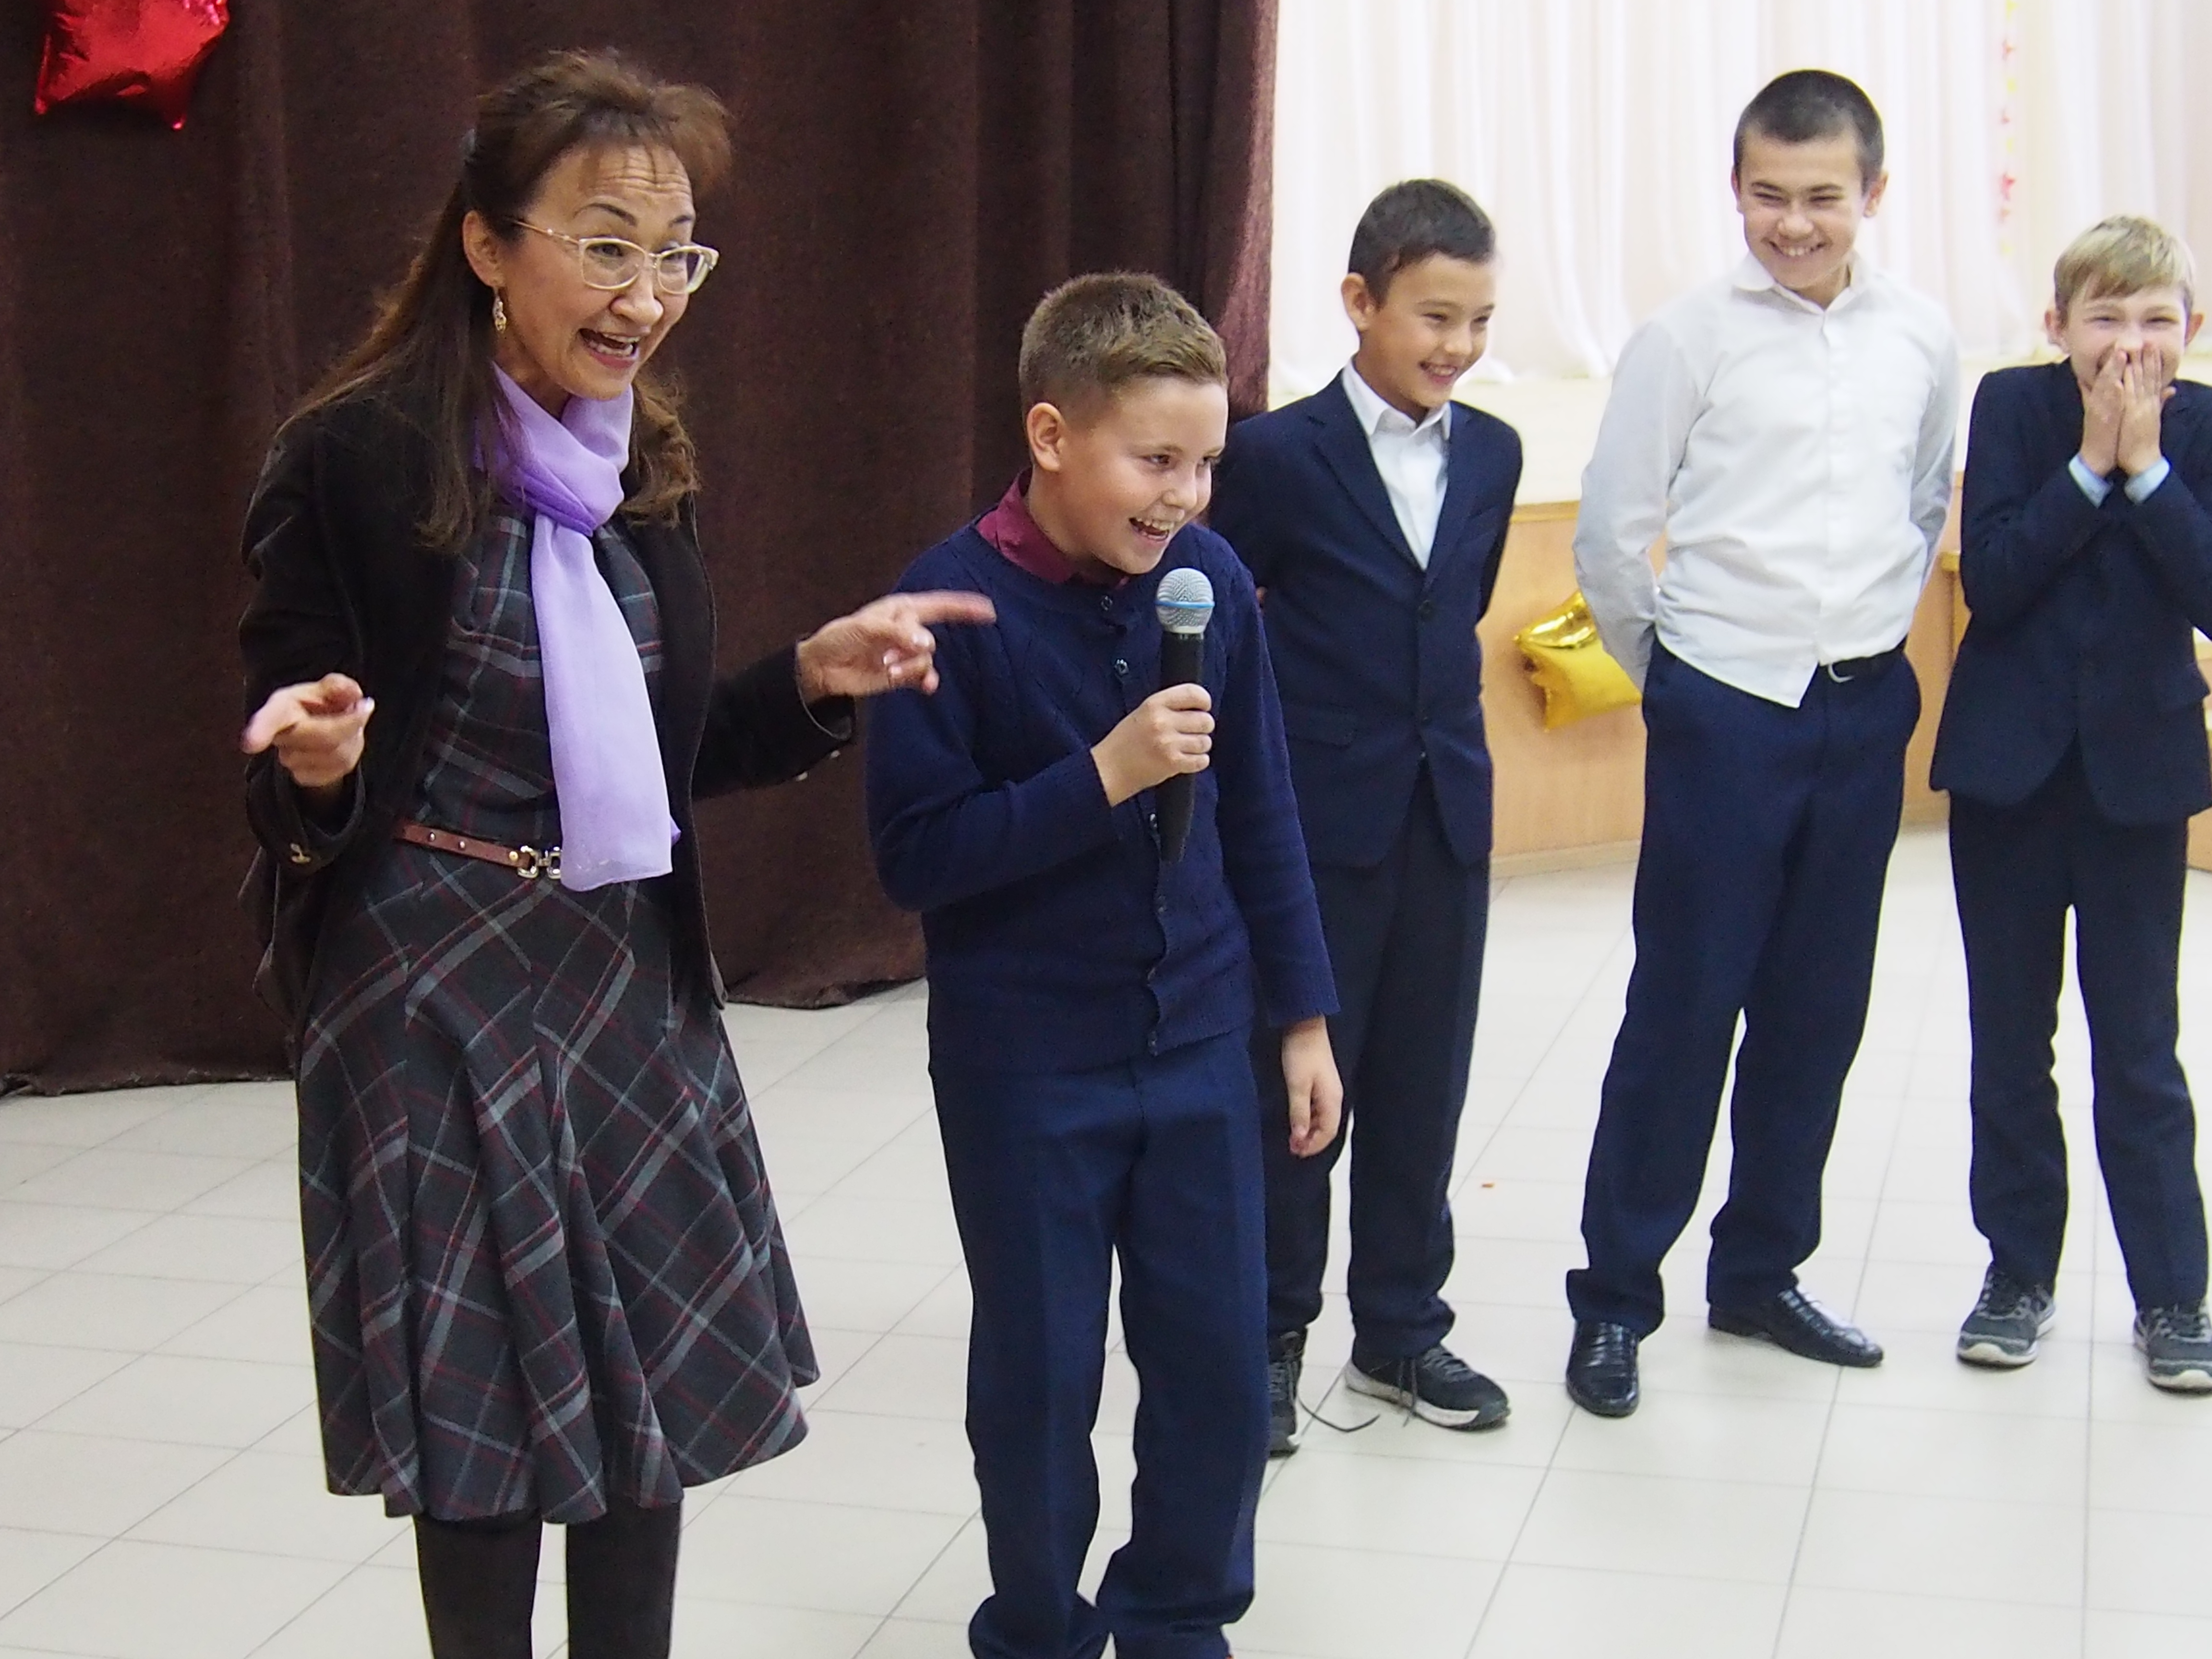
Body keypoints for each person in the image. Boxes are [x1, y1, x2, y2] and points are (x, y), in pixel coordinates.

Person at [237, 49, 991, 1659]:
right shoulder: (356, 455)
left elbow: (648, 757)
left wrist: (809, 683)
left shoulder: (634, 458)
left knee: (643, 1393)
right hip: (429, 983)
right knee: (481, 1419)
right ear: (487, 243)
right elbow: (294, 731)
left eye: (674, 254)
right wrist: (315, 762)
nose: (644, 297)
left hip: (616, 972)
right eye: (603, 245)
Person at [867, 273, 1342, 1659]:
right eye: (1155, 461)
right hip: (1028, 1066)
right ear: (1052, 435)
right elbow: (918, 858)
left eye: (1206, 463)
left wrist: (1301, 1019)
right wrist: (1102, 777)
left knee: (1214, 1362)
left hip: (1199, 1044)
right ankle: (1037, 1623)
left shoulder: (1212, 588)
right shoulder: (945, 607)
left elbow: (1263, 810)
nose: (1184, 495)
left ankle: (1179, 1614)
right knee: (1040, 1372)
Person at [1565, 69, 1960, 1418]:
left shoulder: (1923, 336)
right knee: (1684, 1010)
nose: (1794, 224)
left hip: (1865, 706)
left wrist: (1867, 640)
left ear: (1873, 194)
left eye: (1822, 198)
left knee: (1818, 1010)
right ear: (1736, 189)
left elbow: (1923, 501)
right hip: (1724, 706)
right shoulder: (1687, 338)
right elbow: (1613, 531)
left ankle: (1760, 1272)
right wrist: (1674, 682)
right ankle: (1617, 1299)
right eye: (1769, 196)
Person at [1209, 179, 1520, 1453]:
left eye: (1479, 321)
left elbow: (1453, 611)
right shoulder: (1277, 456)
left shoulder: (1494, 454)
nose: (1457, 345)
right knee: (1299, 1094)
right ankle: (1269, 1337)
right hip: (1316, 827)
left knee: (1423, 1086)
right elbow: (1222, 615)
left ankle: (1399, 1326)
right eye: (1435, 316)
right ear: (1359, 302)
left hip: (1447, 816)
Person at [1931, 216, 2212, 1392]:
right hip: (2009, 773)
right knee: (2010, 1042)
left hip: (2139, 781)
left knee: (2139, 1049)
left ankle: (2175, 1295)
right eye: (2104, 318)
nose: (2129, 344)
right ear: (2057, 325)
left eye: (2156, 321)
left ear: (2191, 329)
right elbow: (1993, 580)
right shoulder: (2013, 406)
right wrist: (2091, 464)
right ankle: (2017, 1274)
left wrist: (2147, 470)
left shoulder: (2201, 426)